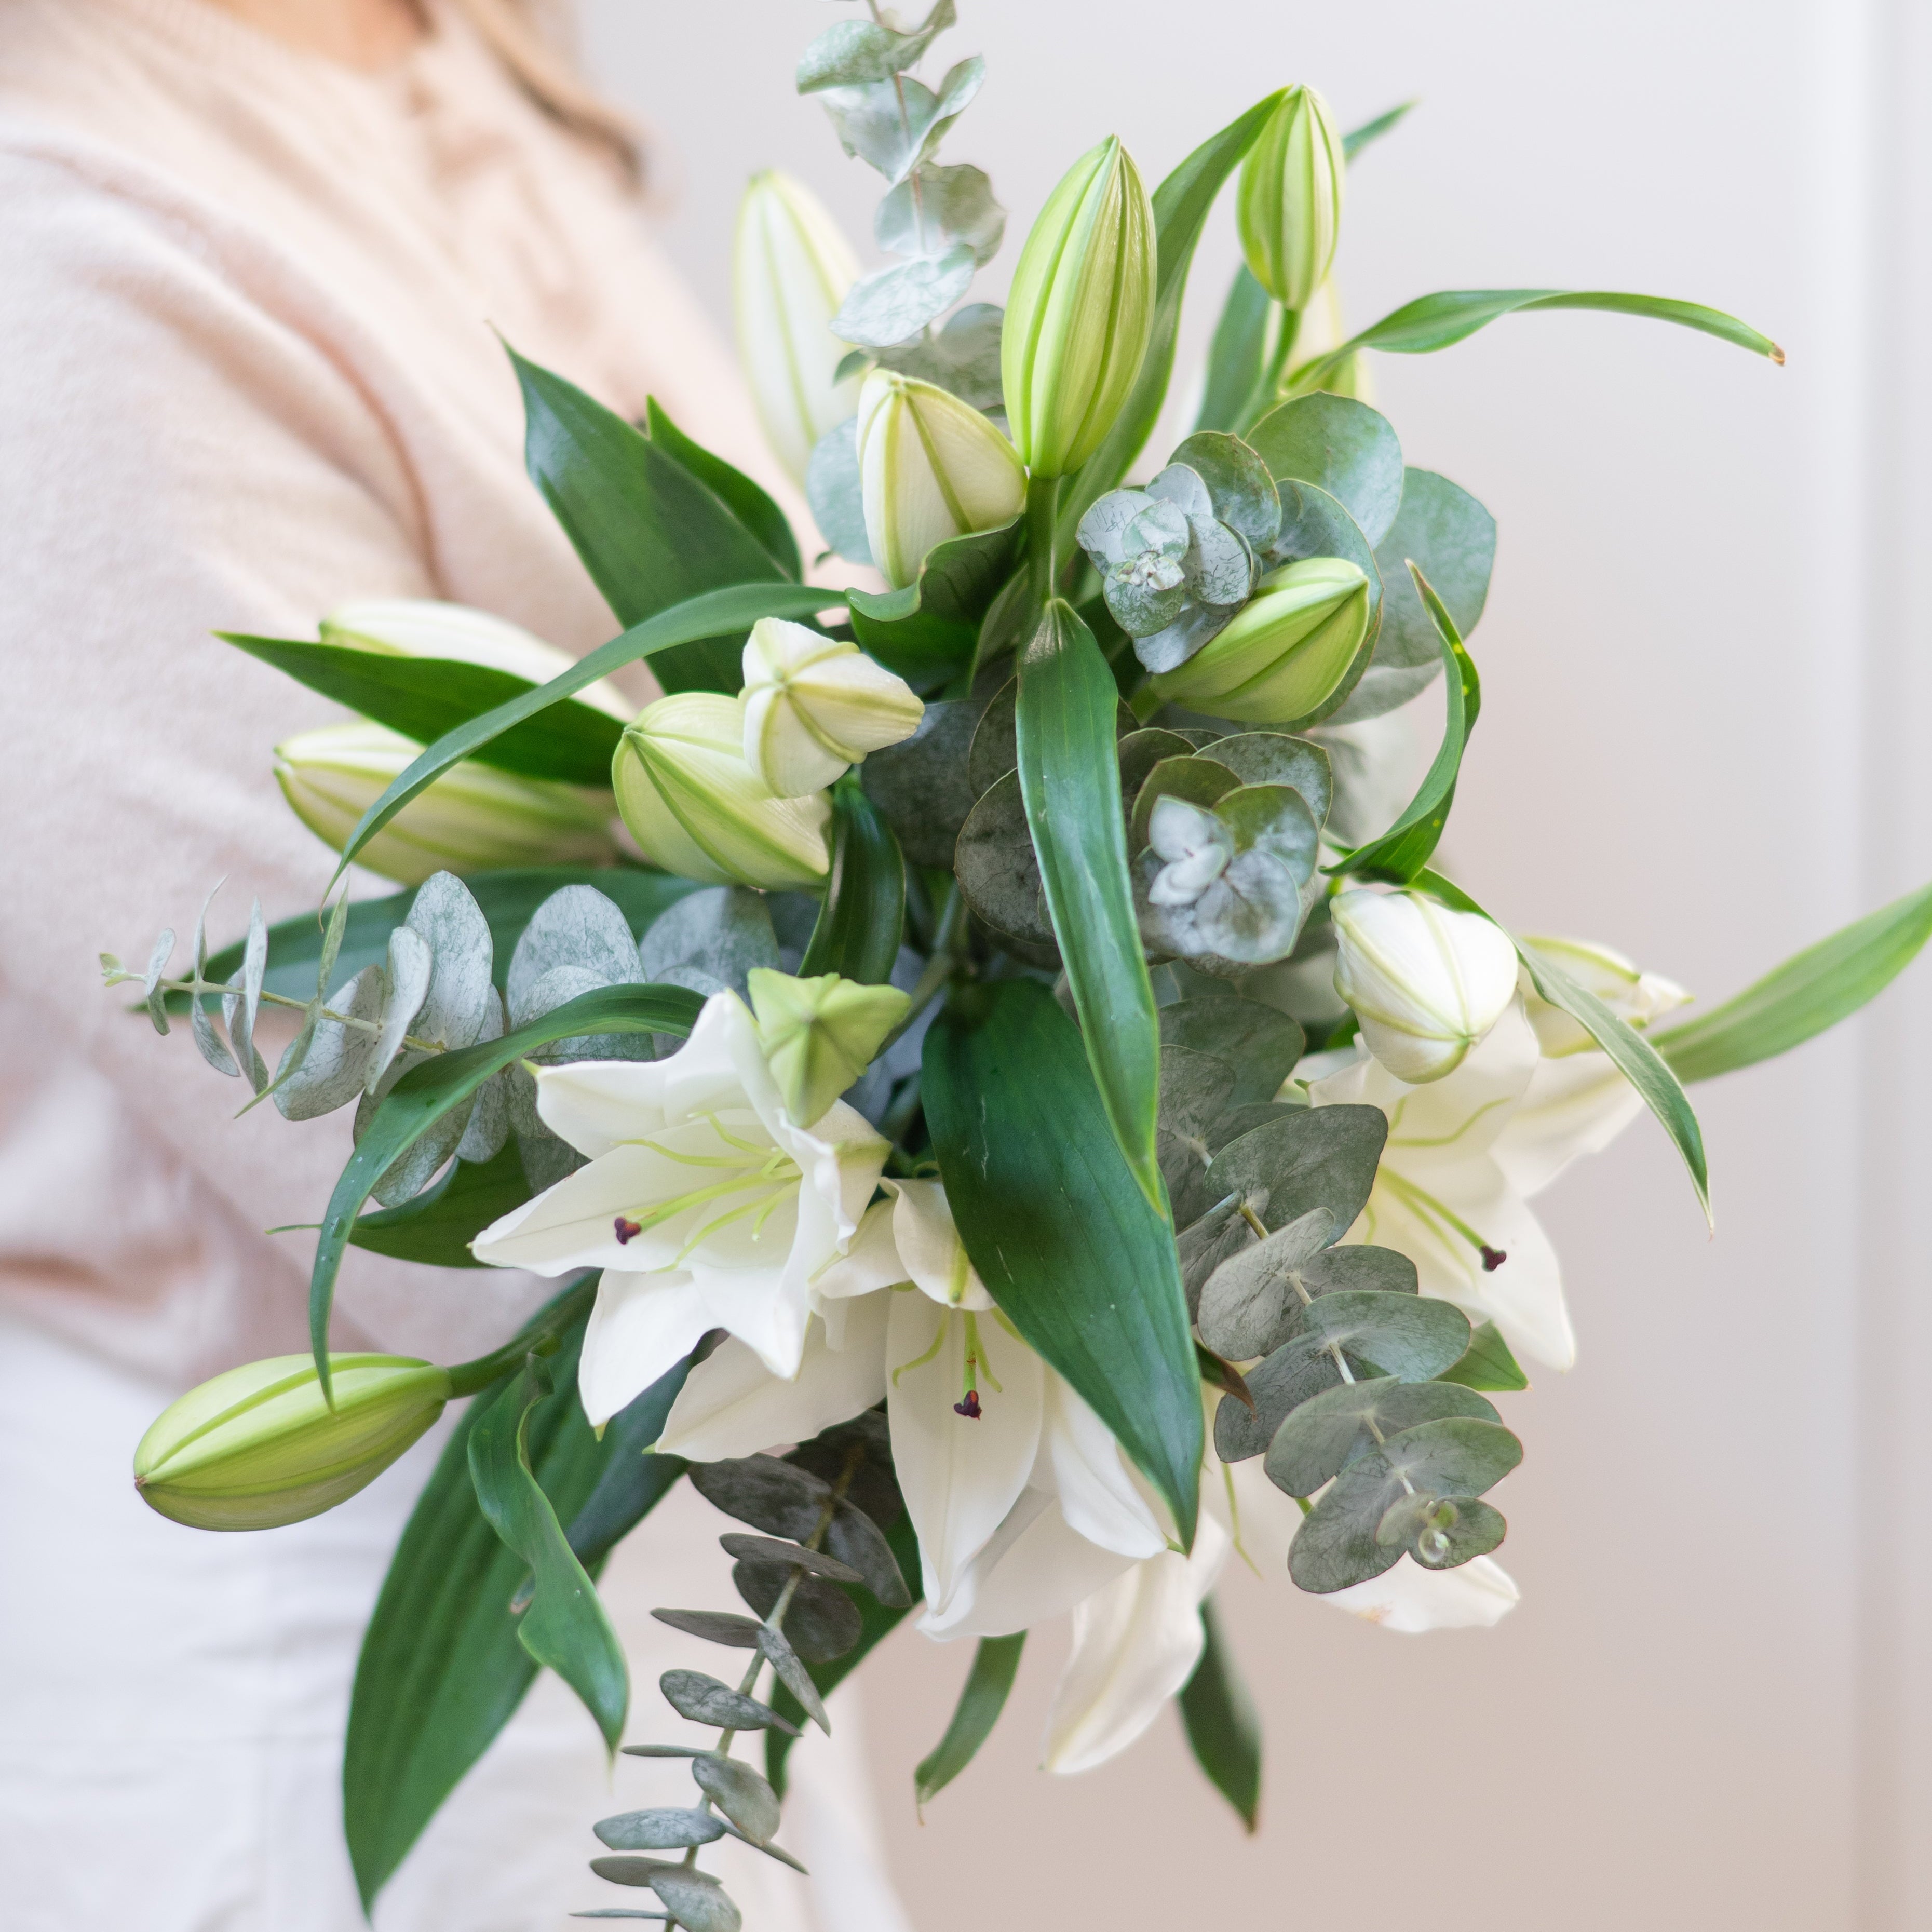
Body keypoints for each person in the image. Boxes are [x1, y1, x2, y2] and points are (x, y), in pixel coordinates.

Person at [0, 2, 910, 1926]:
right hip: (346, 1678)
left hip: (675, 1585)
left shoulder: (436, 42)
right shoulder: (57, 235)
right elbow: (406, 1152)